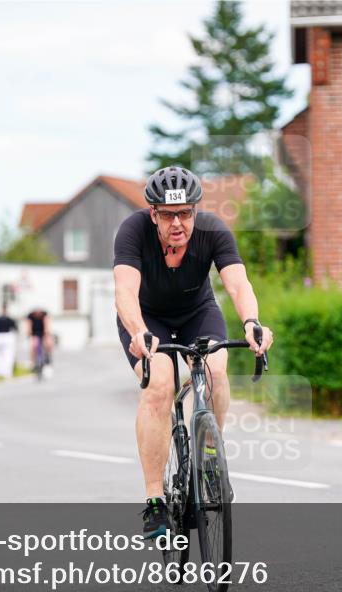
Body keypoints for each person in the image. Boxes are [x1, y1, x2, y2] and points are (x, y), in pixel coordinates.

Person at [113, 166, 273, 537]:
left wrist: (251, 322)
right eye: (168, 215)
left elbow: (237, 283)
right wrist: (138, 332)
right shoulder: (133, 232)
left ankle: (211, 460)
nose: (178, 223)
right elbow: (124, 291)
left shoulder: (213, 230)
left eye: (185, 213)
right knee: (160, 387)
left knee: (216, 370)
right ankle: (155, 501)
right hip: (145, 317)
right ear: (153, 214)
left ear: (195, 212)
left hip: (196, 313)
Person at [0, 305, 18, 380]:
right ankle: (6, 372)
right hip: (6, 336)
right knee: (7, 355)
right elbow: (15, 329)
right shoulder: (10, 319)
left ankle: (0, 372)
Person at [26, 307, 53, 377]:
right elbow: (28, 325)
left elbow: (47, 325)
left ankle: (47, 356)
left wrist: (47, 333)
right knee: (33, 346)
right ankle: (33, 363)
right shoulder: (30, 316)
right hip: (35, 333)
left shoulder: (44, 315)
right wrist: (29, 333)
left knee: (48, 343)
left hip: (43, 333)